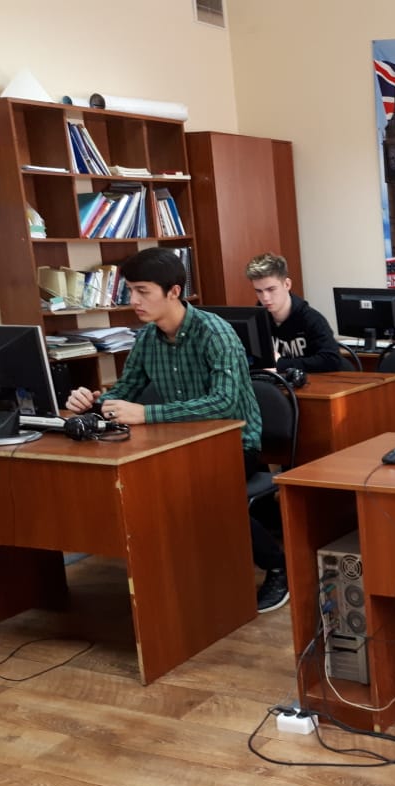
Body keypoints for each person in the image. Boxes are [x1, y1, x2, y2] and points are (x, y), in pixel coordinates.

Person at [65, 247, 290, 613]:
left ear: (173, 292)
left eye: (142, 291)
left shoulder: (215, 334)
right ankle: (172, 577)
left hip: (234, 443)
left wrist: (147, 414)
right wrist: (92, 402)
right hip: (177, 443)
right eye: (131, 290)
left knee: (199, 492)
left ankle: (278, 566)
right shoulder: (147, 339)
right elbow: (126, 390)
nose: (133, 300)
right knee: (148, 486)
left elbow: (224, 403)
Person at [246, 252, 342, 373]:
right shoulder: (255, 320)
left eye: (271, 289)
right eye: (259, 291)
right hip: (273, 381)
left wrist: (281, 364)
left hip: (312, 382)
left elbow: (332, 359)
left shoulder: (311, 318)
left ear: (287, 284)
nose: (265, 298)